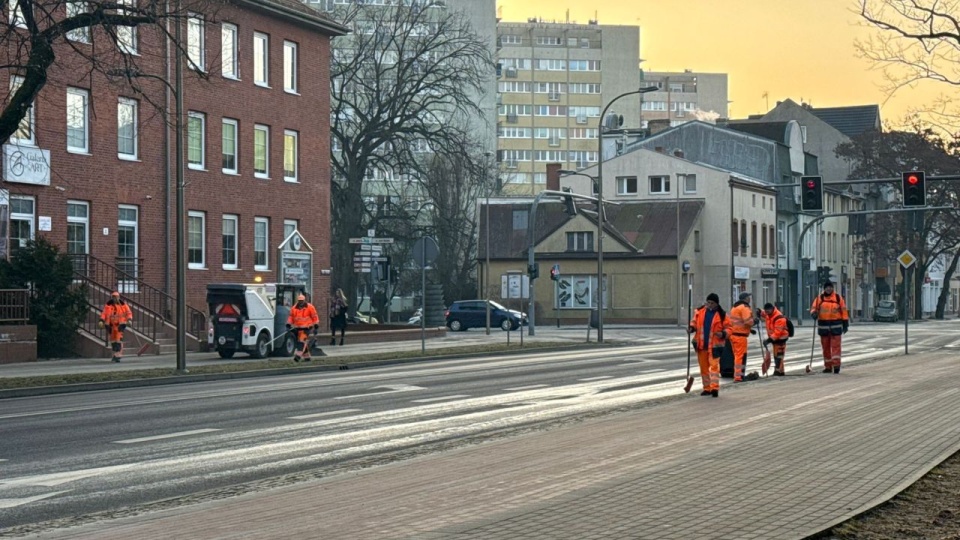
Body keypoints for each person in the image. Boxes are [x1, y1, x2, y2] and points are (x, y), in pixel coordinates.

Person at [687, 292, 727, 398]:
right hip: (701, 345)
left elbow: (729, 328)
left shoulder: (721, 315)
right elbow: (694, 322)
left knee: (714, 367)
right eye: (708, 302)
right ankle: (707, 388)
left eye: (712, 303)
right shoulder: (700, 312)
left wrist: (723, 333)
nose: (709, 305)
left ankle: (714, 388)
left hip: (714, 346)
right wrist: (691, 328)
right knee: (704, 368)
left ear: (716, 304)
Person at [810, 280, 849, 374]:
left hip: (836, 326)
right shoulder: (819, 298)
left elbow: (844, 310)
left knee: (836, 347)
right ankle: (828, 366)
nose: (828, 289)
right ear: (824, 289)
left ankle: (836, 366)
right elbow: (813, 308)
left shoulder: (838, 298)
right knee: (826, 348)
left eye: (830, 287)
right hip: (823, 326)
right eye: (827, 287)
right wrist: (814, 314)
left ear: (832, 288)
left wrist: (845, 323)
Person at [728, 292, 758, 382]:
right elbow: (748, 321)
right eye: (748, 297)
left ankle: (739, 375)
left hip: (734, 335)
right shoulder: (744, 308)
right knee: (740, 356)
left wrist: (749, 330)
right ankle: (738, 376)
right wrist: (755, 321)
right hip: (740, 337)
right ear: (745, 298)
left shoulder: (734, 307)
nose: (749, 299)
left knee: (737, 356)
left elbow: (738, 322)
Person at [99, 291, 133, 362]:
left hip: (120, 324)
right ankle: (115, 354)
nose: (115, 298)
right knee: (113, 340)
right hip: (110, 325)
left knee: (118, 339)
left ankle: (118, 355)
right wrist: (101, 320)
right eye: (114, 297)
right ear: (112, 297)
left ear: (119, 297)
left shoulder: (123, 305)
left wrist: (129, 320)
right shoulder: (108, 306)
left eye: (116, 297)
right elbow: (104, 313)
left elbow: (128, 313)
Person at [759, 302, 790, 376]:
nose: (767, 313)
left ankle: (778, 371)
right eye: (766, 311)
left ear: (772, 309)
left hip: (781, 338)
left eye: (768, 311)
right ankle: (781, 371)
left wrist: (768, 340)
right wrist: (759, 311)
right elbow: (763, 313)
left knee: (779, 356)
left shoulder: (779, 318)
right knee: (777, 355)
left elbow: (777, 333)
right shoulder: (768, 314)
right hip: (775, 339)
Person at [287, 294, 319, 362]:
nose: (301, 302)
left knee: (301, 341)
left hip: (307, 328)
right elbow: (291, 317)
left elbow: (314, 316)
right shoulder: (294, 308)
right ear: (298, 301)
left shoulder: (310, 307)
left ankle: (298, 356)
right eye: (299, 301)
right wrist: (288, 324)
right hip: (298, 328)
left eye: (302, 301)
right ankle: (307, 357)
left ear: (304, 300)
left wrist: (316, 325)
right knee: (302, 341)